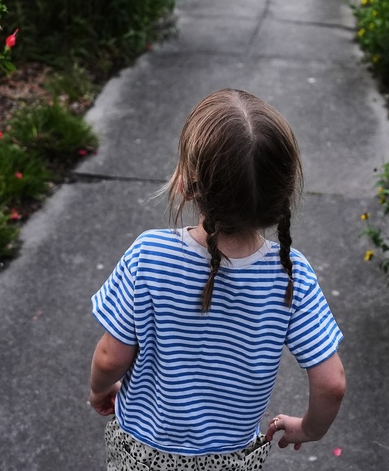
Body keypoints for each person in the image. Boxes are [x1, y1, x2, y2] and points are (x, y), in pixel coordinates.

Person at [89, 88, 346, 469]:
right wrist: (310, 429)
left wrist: (99, 389)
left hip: (144, 451)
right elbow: (331, 383)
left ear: (186, 184)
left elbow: (112, 355)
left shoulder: (149, 256)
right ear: (284, 193)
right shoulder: (293, 274)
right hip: (231, 459)